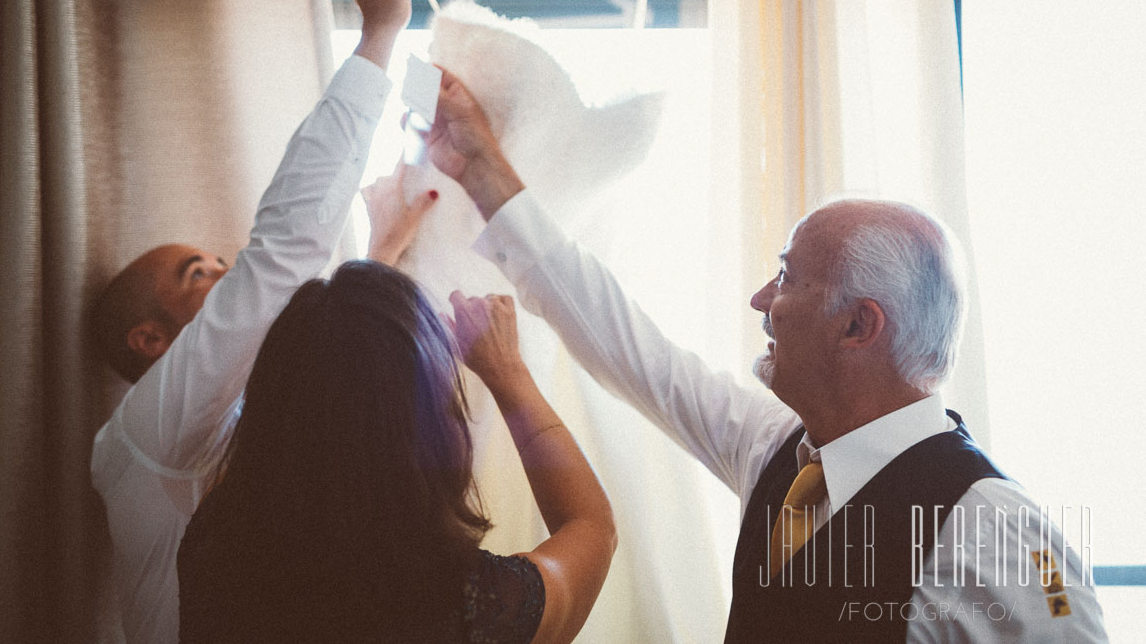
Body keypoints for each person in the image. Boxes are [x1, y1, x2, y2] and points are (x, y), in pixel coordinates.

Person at [416, 70, 1108, 642]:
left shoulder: (1006, 534)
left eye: (785, 277)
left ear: (857, 326)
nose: (758, 300)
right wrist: (479, 169)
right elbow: (631, 350)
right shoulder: (772, 447)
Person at [89, 0, 435, 644]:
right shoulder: (146, 438)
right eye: (200, 275)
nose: (226, 269)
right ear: (150, 338)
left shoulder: (250, 413)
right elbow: (281, 253)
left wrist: (381, 253)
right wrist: (379, 34)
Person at [175, 262, 616, 644]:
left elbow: (331, 405)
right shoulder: (468, 609)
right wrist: (508, 374)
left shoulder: (215, 543)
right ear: (430, 440)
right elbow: (592, 526)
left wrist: (370, 286)